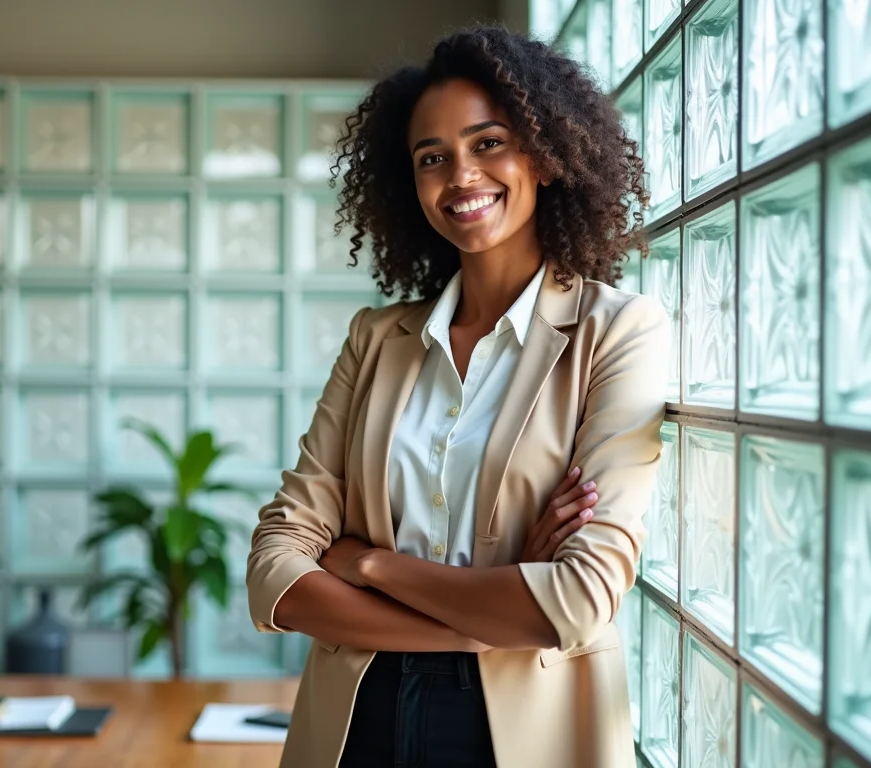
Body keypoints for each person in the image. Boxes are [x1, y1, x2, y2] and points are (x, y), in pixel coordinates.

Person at [245, 24, 669, 768]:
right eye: (432, 157)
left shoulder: (616, 332)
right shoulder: (376, 340)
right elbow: (275, 573)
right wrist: (489, 612)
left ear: (543, 154)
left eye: (488, 143)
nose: (462, 175)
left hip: (528, 732)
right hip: (357, 721)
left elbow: (578, 599)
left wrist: (369, 565)